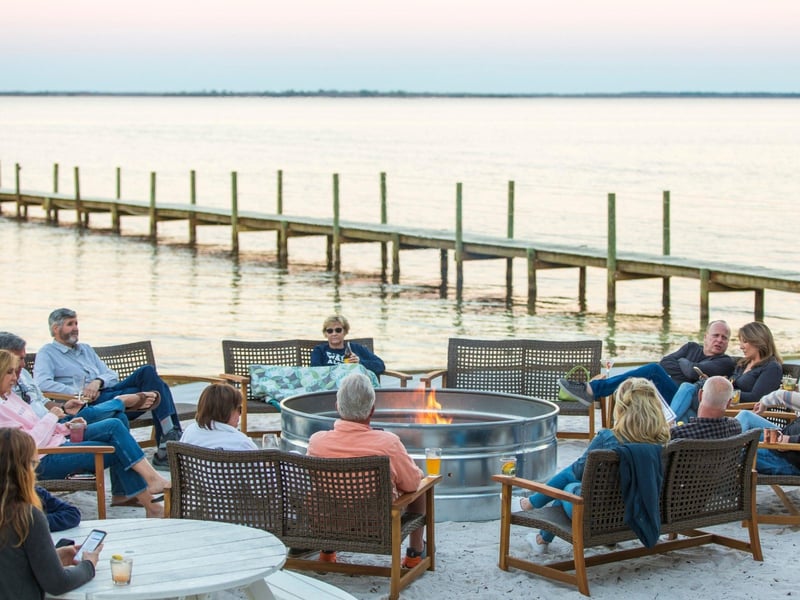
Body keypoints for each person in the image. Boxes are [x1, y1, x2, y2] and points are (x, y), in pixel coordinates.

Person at [0, 350, 169, 517]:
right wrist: (52, 417)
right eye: (9, 373)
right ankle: (150, 498)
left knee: (115, 425)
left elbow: (36, 426)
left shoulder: (10, 398)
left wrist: (66, 426)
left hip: (55, 441)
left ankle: (149, 496)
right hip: (39, 460)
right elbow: (29, 444)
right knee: (119, 444)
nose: (15, 378)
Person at [518, 377, 671, 553]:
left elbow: (574, 473)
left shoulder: (609, 439)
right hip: (636, 514)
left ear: (621, 407)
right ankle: (540, 537)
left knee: (568, 484)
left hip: (597, 517)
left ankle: (532, 512)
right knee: (571, 485)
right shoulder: (664, 444)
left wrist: (537, 498)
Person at [33, 308, 182, 466]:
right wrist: (81, 393)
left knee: (148, 372)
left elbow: (112, 375)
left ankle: (168, 437)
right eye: (70, 324)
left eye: (76, 323)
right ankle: (169, 436)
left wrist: (98, 382)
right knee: (158, 388)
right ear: (56, 329)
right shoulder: (47, 353)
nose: (75, 328)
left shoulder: (85, 349)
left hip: (109, 392)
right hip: (93, 405)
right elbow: (42, 383)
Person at [306, 372, 425, 568]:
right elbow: (411, 485)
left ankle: (327, 551)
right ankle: (415, 553)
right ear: (372, 410)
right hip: (377, 525)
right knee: (421, 487)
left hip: (329, 523)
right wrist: (419, 475)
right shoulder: (387, 443)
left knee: (327, 492)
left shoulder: (317, 442)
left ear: (337, 407)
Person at [0, 427, 100, 600]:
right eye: (33, 464)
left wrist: (53, 556)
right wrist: (88, 565)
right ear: (24, 469)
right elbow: (57, 584)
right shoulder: (25, 515)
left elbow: (11, 566)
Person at [558, 320, 735, 407]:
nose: (719, 340)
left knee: (652, 370)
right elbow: (666, 363)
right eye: (715, 335)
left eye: (724, 338)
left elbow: (689, 373)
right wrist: (686, 366)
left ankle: (593, 390)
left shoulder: (725, 362)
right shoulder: (690, 347)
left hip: (684, 401)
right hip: (662, 392)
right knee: (641, 381)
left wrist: (682, 364)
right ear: (706, 337)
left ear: (727, 342)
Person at [0, 331, 141, 427]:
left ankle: (121, 402)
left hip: (58, 419)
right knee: (113, 423)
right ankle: (120, 401)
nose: (23, 364)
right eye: (19, 359)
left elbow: (43, 401)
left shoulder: (23, 374)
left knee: (118, 418)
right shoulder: (5, 386)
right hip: (46, 429)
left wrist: (64, 407)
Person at [734, 385, 800, 476]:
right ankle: (720, 448)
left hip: (789, 459)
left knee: (734, 453)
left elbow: (781, 395)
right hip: (782, 440)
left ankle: (717, 455)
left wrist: (791, 440)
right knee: (745, 416)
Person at [180, 383, 257, 450]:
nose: (240, 414)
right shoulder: (241, 443)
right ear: (227, 411)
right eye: (239, 409)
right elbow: (259, 466)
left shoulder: (189, 432)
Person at [310, 315, 385, 377]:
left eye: (338, 330)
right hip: (330, 389)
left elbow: (380, 366)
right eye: (330, 331)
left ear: (345, 331)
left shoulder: (356, 348)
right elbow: (316, 372)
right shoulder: (319, 350)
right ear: (326, 334)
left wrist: (360, 362)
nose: (334, 333)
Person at [670, 376, 742, 440]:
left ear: (700, 395)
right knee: (687, 412)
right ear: (729, 403)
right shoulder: (736, 427)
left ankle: (668, 421)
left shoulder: (679, 434)